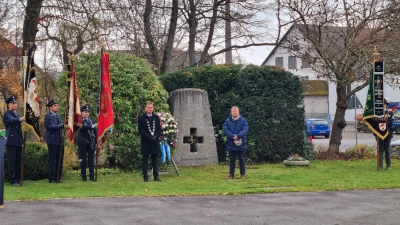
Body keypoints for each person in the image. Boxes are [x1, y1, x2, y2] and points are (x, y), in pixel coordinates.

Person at [2, 95, 24, 186]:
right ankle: (13, 180)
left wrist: (22, 141)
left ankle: (18, 179)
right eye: (13, 103)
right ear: (8, 105)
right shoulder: (7, 114)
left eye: (15, 103)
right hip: (11, 141)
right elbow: (11, 121)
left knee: (17, 161)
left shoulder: (16, 114)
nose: (15, 105)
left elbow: (19, 131)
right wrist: (20, 119)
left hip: (17, 141)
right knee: (12, 161)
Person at [138, 102, 162, 182]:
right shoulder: (141, 118)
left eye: (151, 107)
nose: (150, 109)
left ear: (153, 108)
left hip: (155, 141)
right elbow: (141, 130)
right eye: (148, 107)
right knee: (145, 160)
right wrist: (149, 137)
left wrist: (155, 136)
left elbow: (159, 129)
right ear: (145, 108)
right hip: (146, 142)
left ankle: (156, 176)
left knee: (154, 160)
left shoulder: (156, 117)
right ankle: (145, 177)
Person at [223, 106, 249, 179]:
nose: (234, 112)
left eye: (236, 111)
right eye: (233, 111)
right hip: (231, 143)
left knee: (242, 160)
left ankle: (242, 174)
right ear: (231, 112)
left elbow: (245, 129)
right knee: (232, 160)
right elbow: (225, 129)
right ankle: (231, 175)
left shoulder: (243, 120)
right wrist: (232, 136)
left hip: (241, 143)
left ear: (238, 112)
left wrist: (238, 136)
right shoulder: (227, 121)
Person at [44, 98, 64, 183]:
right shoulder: (48, 116)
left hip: (59, 140)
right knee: (52, 159)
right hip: (52, 140)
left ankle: (57, 177)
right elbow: (51, 126)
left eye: (57, 105)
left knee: (59, 159)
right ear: (50, 108)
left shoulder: (58, 116)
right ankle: (51, 177)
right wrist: (60, 126)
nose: (57, 107)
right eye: (55, 105)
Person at [77, 105, 98, 181]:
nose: (87, 114)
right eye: (85, 112)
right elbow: (84, 127)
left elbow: (95, 132)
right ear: (82, 113)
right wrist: (93, 126)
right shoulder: (80, 121)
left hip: (91, 143)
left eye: (88, 112)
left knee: (91, 160)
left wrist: (96, 141)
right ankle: (83, 176)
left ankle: (92, 177)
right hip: (82, 143)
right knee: (83, 160)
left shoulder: (91, 121)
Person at [379, 97, 394, 170]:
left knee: (387, 149)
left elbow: (391, 123)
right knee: (380, 150)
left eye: (385, 104)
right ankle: (380, 165)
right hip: (379, 134)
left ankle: (388, 165)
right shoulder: (378, 114)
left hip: (388, 133)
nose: (384, 105)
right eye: (383, 104)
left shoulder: (390, 113)